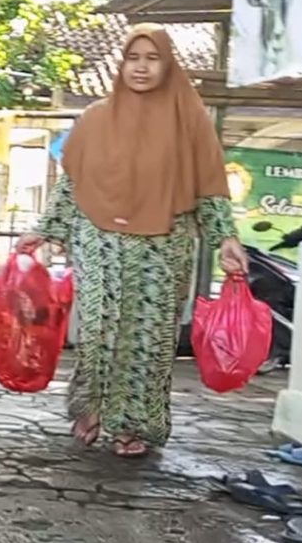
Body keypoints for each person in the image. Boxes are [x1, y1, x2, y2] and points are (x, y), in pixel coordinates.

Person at [17, 24, 249, 458]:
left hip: (164, 242)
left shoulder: (190, 119)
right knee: (100, 328)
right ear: (122, 64)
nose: (141, 68)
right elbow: (73, 184)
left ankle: (135, 424)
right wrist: (45, 228)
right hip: (99, 238)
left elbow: (209, 186)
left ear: (167, 64)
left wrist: (226, 239)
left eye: (152, 58)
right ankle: (91, 409)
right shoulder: (96, 118)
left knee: (150, 334)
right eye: (133, 58)